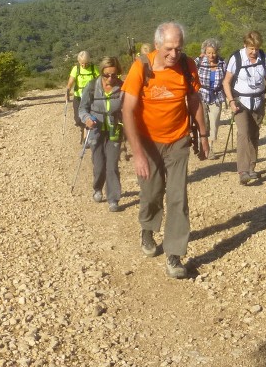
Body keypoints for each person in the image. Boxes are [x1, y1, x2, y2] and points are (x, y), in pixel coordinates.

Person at [121, 22, 209, 280]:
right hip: (147, 141)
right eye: (169, 49)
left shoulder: (187, 65)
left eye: (178, 49)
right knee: (151, 192)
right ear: (157, 45)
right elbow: (127, 110)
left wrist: (203, 135)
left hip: (178, 139)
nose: (174, 54)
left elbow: (194, 100)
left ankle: (174, 252)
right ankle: (148, 228)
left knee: (178, 197)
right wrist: (137, 153)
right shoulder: (141, 67)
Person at [222, 30, 266, 184]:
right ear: (245, 45)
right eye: (251, 48)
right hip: (240, 101)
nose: (254, 52)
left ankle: (252, 167)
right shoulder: (236, 58)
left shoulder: (264, 57)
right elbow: (226, 82)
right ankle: (243, 171)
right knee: (243, 133)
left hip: (258, 101)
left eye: (256, 49)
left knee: (254, 134)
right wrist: (231, 101)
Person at [78, 56, 125, 212]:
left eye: (114, 74)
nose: (110, 78)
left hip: (114, 129)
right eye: (106, 75)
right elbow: (82, 109)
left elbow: (129, 108)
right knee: (99, 165)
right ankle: (97, 188)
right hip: (96, 130)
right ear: (101, 73)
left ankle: (113, 198)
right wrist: (86, 119)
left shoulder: (123, 87)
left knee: (112, 165)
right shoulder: (92, 86)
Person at [196, 38, 226, 157]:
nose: (211, 55)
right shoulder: (199, 61)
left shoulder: (222, 63)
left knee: (215, 123)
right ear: (205, 52)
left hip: (217, 96)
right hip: (201, 94)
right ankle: (202, 147)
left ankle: (210, 148)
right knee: (203, 122)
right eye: (208, 53)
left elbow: (227, 78)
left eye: (213, 52)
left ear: (217, 51)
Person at [66, 51, 99, 143]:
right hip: (78, 97)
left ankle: (85, 136)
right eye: (82, 63)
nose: (84, 65)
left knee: (88, 115)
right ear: (78, 62)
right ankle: (83, 129)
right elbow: (70, 82)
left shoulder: (94, 69)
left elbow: (100, 81)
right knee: (78, 118)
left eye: (86, 63)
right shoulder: (76, 69)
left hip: (91, 97)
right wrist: (67, 91)